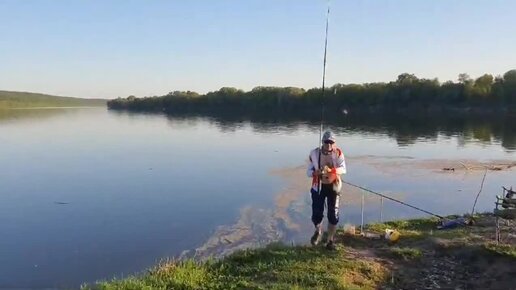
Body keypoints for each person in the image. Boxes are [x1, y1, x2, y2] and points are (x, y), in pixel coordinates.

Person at [306, 130, 346, 250]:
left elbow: (343, 169)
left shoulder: (338, 153)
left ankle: (330, 241)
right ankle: (318, 231)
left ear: (334, 143)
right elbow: (308, 172)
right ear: (322, 142)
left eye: (331, 142)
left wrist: (331, 170)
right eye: (326, 142)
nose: (328, 145)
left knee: (333, 215)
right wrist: (315, 172)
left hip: (333, 186)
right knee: (317, 214)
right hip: (318, 186)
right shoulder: (314, 154)